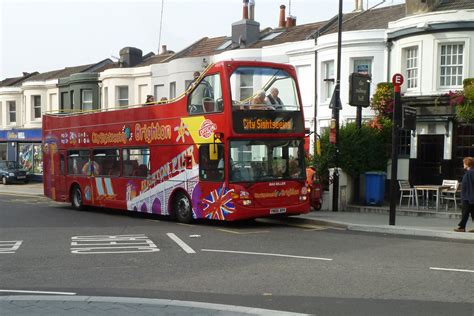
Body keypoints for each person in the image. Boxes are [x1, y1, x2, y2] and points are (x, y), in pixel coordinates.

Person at [454, 157, 474, 232]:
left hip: (468, 196)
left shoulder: (470, 173)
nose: (463, 164)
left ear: (467, 164)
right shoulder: (469, 172)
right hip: (469, 195)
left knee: (465, 212)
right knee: (471, 212)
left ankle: (462, 227)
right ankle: (462, 227)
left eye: (464, 163)